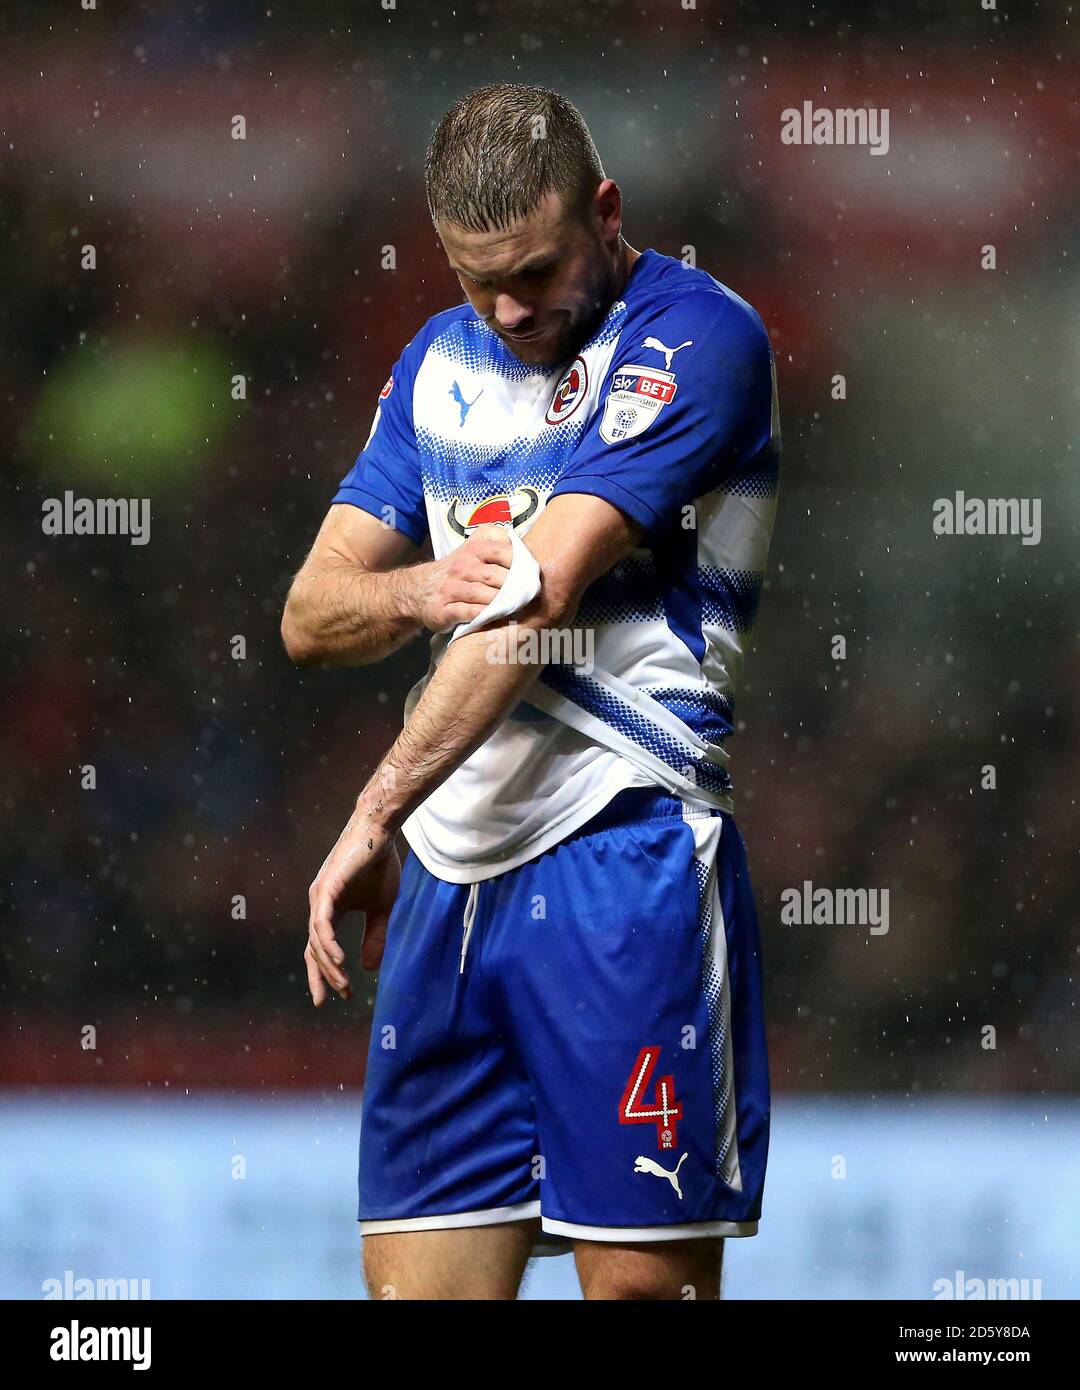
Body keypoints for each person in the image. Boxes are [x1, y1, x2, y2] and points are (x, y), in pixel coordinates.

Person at [281, 82, 779, 1300]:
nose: (511, 310)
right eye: (474, 280)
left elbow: (535, 609)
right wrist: (416, 591)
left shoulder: (695, 339)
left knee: (637, 1295)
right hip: (451, 892)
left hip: (623, 854)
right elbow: (309, 613)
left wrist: (376, 803)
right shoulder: (435, 366)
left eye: (538, 271)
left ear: (605, 212)